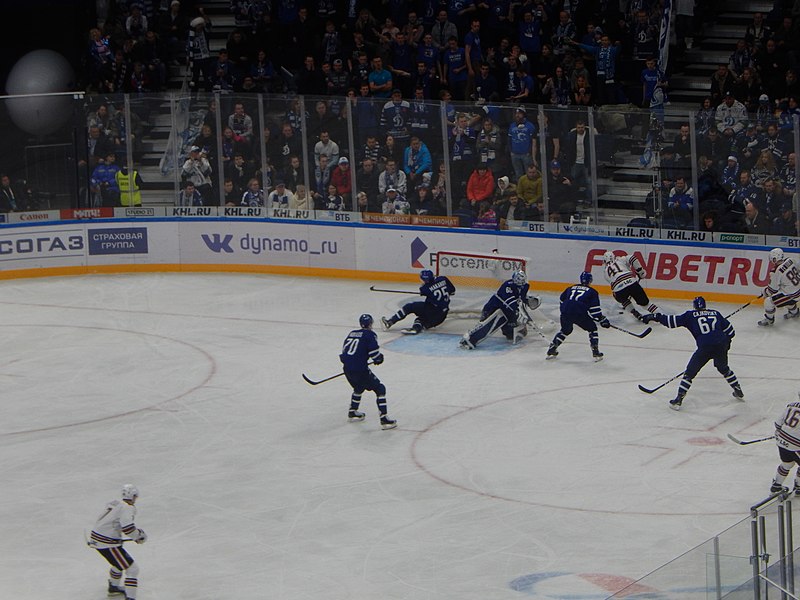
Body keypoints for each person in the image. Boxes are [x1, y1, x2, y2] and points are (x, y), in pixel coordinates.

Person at [642, 297, 743, 410]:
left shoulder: (689, 315)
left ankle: (678, 400)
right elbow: (731, 332)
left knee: (689, 373)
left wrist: (655, 317)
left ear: (694, 306)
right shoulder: (716, 313)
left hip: (705, 347)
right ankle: (738, 389)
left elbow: (670, 322)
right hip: (721, 344)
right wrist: (725, 344)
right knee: (723, 368)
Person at [88, 484, 147, 599]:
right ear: (133, 496)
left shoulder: (115, 502)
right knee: (132, 569)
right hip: (107, 543)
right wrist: (138, 537)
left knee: (118, 563)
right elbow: (128, 528)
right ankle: (130, 598)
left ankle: (113, 586)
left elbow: (109, 521)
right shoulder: (128, 508)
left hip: (97, 538)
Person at [340, 314, 396, 430]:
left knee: (359, 387)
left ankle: (353, 411)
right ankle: (384, 419)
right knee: (380, 389)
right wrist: (378, 358)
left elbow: (344, 352)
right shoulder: (370, 335)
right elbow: (374, 354)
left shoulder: (351, 333)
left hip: (347, 368)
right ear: (370, 324)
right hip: (360, 369)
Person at [460, 270, 536, 349]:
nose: (520, 282)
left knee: (511, 334)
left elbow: (521, 299)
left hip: (507, 311)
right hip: (494, 308)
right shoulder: (507, 286)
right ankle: (470, 339)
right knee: (487, 325)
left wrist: (529, 300)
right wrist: (518, 313)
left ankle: (510, 331)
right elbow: (511, 303)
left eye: (522, 280)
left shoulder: (525, 286)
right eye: (518, 279)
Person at [546, 271, 610, 362]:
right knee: (592, 328)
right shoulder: (592, 292)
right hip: (579, 312)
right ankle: (595, 351)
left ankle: (552, 348)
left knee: (565, 330)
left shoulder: (570, 288)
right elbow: (594, 310)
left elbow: (562, 300)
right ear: (590, 280)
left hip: (565, 311)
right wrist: (601, 319)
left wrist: (566, 311)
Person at [381, 270, 456, 334]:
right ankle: (417, 328)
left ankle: (390, 322)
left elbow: (424, 290)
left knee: (409, 307)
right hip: (442, 317)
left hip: (432, 311)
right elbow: (452, 291)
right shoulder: (443, 279)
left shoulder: (424, 288)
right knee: (421, 319)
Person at [601, 251, 660, 321]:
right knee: (645, 304)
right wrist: (640, 271)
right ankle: (661, 315)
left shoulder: (605, 272)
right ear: (614, 257)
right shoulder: (620, 259)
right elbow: (632, 258)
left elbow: (614, 283)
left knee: (619, 297)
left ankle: (634, 312)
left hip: (619, 290)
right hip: (631, 283)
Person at [758, 247, 800, 326]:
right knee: (784, 296)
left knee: (768, 302)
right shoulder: (790, 260)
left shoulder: (776, 271)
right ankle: (794, 312)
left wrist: (764, 292)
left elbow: (772, 290)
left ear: (774, 259)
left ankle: (769, 319)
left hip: (793, 295)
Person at [770, 391, 800, 493]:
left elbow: (778, 424)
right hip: (796, 445)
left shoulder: (791, 406)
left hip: (781, 441)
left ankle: (776, 485)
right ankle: (799, 486)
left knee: (787, 464)